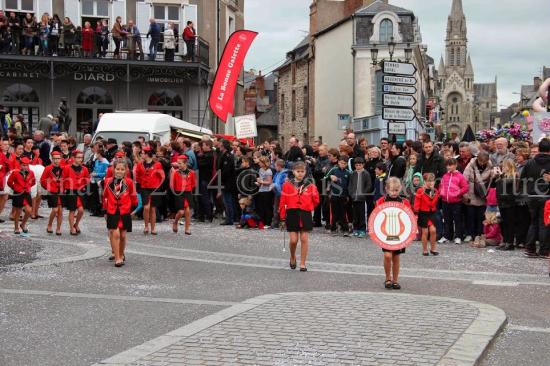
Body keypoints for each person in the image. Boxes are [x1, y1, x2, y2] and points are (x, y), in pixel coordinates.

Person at [279, 161, 320, 272]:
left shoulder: (310, 185)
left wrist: (309, 206)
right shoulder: (287, 185)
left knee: (304, 239)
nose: (300, 173)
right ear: (293, 172)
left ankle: (302, 263)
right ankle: (292, 256)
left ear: (305, 172)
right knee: (293, 240)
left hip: (305, 213)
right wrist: (282, 217)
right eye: (298, 171)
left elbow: (316, 200)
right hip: (292, 213)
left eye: (302, 171)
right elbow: (282, 201)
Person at [103, 160, 138, 267]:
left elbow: (133, 198)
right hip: (112, 211)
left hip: (125, 211)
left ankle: (121, 254)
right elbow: (105, 196)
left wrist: (131, 209)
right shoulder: (108, 181)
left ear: (126, 170)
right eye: (117, 169)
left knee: (122, 235)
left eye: (122, 169)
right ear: (113, 169)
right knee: (115, 233)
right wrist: (105, 210)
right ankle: (117, 257)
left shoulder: (130, 182)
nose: (119, 171)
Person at [520, 138, 550, 258]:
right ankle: (543, 250)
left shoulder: (530, 162)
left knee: (533, 223)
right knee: (544, 224)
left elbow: (522, 179)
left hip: (532, 196)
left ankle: (530, 249)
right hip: (547, 197)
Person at [377, 177, 408, 290]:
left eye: (396, 190)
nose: (394, 193)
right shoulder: (381, 201)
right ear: (386, 189)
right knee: (387, 255)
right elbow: (376, 218)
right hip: (385, 234)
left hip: (400, 235)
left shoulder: (404, 202)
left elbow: (409, 219)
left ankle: (395, 280)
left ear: (400, 189)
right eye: (392, 190)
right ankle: (387, 278)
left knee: (396, 257)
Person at [462, 151, 494, 246]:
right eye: (481, 162)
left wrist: (493, 176)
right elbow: (464, 180)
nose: (482, 164)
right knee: (471, 216)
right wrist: (465, 194)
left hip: (483, 194)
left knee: (481, 216)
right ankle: (471, 234)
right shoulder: (470, 165)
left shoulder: (490, 166)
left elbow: (491, 180)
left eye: (484, 162)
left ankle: (480, 234)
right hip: (471, 193)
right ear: (478, 159)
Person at [135, 146, 165, 235]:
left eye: (143, 153)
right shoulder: (140, 164)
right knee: (146, 207)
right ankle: (146, 226)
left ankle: (153, 228)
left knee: (153, 208)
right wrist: (142, 183)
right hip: (144, 188)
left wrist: (158, 185)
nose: (141, 155)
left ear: (148, 154)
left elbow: (162, 176)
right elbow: (137, 176)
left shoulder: (158, 164)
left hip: (154, 188)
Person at [439, 158, 469, 245]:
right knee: (447, 220)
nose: (448, 167)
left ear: (455, 165)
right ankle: (447, 236)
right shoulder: (445, 176)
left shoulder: (460, 176)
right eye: (447, 165)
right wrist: (441, 192)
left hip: (456, 202)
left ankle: (458, 236)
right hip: (445, 201)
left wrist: (457, 193)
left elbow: (465, 187)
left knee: (457, 219)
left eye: (450, 165)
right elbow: (441, 185)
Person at [62, 150, 90, 236]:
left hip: (80, 192)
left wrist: (85, 186)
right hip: (71, 191)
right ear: (73, 158)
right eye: (78, 157)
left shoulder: (84, 169)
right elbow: (63, 179)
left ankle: (76, 224)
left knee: (81, 210)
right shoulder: (67, 168)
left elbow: (87, 179)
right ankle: (71, 228)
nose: (80, 159)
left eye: (81, 157)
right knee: (72, 210)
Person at [7, 156, 35, 235]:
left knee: (29, 210)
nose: (25, 166)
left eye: (26, 165)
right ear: (20, 165)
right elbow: (9, 182)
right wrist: (14, 187)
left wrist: (28, 187)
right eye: (23, 165)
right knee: (18, 211)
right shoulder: (15, 172)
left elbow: (33, 182)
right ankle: (16, 228)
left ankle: (23, 224)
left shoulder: (31, 172)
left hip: (26, 193)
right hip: (18, 193)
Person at [414, 173, 440, 256]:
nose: (431, 183)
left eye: (432, 181)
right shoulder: (420, 191)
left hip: (432, 212)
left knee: (433, 231)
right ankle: (425, 250)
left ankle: (433, 249)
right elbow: (417, 203)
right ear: (424, 181)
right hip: (423, 213)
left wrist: (432, 192)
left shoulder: (435, 191)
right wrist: (416, 213)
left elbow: (433, 203)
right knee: (425, 232)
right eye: (429, 181)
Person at [170, 155, 195, 235]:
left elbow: (193, 184)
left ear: (185, 164)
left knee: (187, 211)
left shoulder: (191, 172)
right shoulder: (175, 173)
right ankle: (175, 222)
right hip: (178, 193)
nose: (178, 165)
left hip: (188, 192)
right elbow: (172, 185)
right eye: (178, 163)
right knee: (181, 212)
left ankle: (187, 229)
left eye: (180, 163)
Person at [326, 155, 351, 236]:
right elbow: (324, 177)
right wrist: (330, 177)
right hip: (334, 195)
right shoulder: (334, 170)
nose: (342, 164)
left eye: (344, 163)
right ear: (338, 162)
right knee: (334, 213)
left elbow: (349, 185)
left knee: (343, 213)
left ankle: (345, 230)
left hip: (343, 195)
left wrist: (348, 195)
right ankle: (333, 229)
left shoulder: (348, 173)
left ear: (346, 164)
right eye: (341, 163)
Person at [40, 151, 63, 235]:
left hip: (61, 191)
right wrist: (48, 187)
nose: (57, 160)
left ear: (61, 159)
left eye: (58, 158)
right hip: (52, 191)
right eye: (55, 159)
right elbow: (42, 180)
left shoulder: (63, 168)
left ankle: (58, 228)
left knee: (60, 211)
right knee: (55, 209)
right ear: (52, 159)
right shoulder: (48, 168)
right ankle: (49, 224)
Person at [348, 157, 371, 238]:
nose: (358, 166)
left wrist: (364, 193)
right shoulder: (353, 174)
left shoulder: (366, 173)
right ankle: (356, 229)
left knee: (362, 214)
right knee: (355, 214)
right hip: (354, 198)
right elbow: (350, 185)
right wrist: (351, 193)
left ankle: (362, 230)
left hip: (362, 198)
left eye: (360, 165)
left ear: (363, 165)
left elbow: (368, 185)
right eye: (356, 165)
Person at [217, 139, 237, 225]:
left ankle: (230, 219)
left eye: (220, 144)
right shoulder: (223, 154)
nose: (219, 146)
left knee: (228, 201)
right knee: (227, 200)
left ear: (224, 146)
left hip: (228, 182)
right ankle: (229, 218)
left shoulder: (228, 156)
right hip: (225, 181)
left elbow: (226, 170)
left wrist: (221, 178)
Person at [254, 156, 274, 227]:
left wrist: (261, 182)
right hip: (261, 190)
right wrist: (258, 182)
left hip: (267, 191)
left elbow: (269, 182)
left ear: (264, 163)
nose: (259, 163)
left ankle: (268, 222)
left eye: (260, 162)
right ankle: (262, 222)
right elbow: (261, 179)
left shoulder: (269, 171)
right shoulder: (260, 170)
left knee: (267, 207)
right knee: (261, 207)